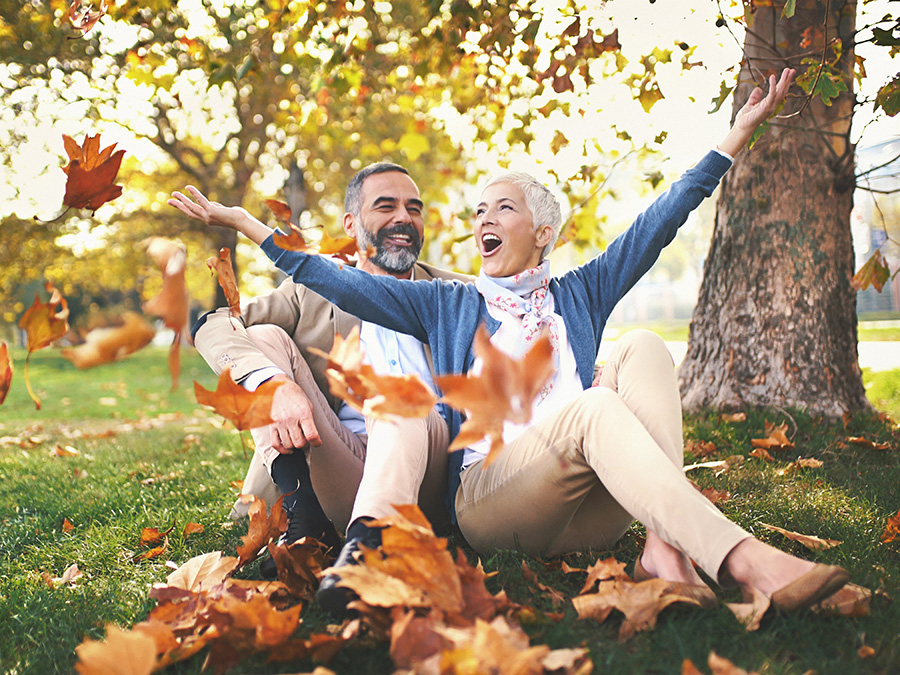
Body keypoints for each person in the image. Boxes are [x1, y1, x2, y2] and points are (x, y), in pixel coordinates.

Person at [188, 68, 853, 614]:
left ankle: (664, 543)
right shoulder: (445, 301)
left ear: (543, 231)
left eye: (501, 207)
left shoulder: (579, 291)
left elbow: (656, 224)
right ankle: (743, 559)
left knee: (643, 344)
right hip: (474, 490)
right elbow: (332, 280)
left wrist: (732, 139)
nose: (482, 218)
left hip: (578, 495)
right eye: (478, 210)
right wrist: (249, 225)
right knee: (579, 407)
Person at [169, 163, 468, 580]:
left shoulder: (457, 292)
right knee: (264, 338)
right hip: (336, 460)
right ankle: (302, 515)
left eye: (413, 208)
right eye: (386, 206)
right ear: (351, 222)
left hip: (424, 472)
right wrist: (273, 385)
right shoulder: (311, 290)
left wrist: (595, 372)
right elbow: (216, 323)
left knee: (402, 404)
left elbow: (538, 326)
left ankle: (354, 538)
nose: (404, 217)